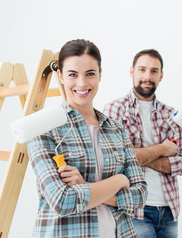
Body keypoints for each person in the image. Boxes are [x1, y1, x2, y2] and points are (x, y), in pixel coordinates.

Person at [27, 39, 147, 238]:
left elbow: (140, 196)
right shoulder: (43, 129)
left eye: (90, 74)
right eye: (73, 74)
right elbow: (62, 202)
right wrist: (119, 180)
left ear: (100, 74)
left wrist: (86, 187)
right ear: (61, 76)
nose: (82, 83)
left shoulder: (116, 129)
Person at [103, 49, 182, 238]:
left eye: (154, 71)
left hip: (169, 209)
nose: (147, 76)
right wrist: (163, 149)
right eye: (142, 69)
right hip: (135, 209)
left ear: (161, 75)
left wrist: (137, 155)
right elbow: (116, 158)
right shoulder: (115, 109)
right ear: (132, 71)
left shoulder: (171, 114)